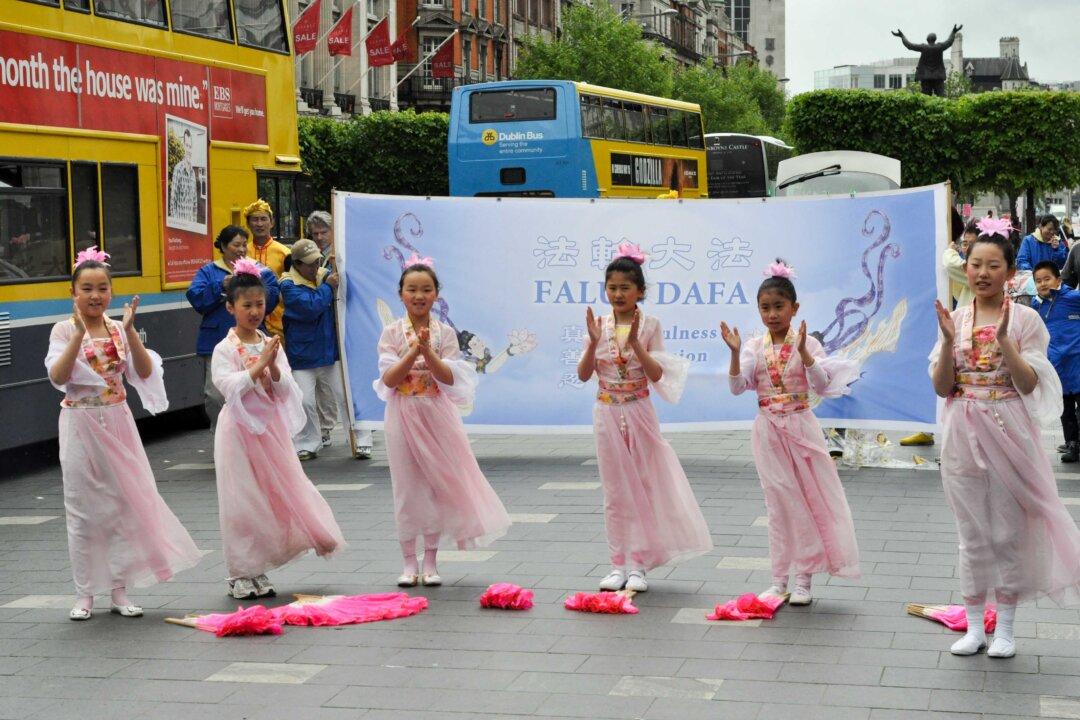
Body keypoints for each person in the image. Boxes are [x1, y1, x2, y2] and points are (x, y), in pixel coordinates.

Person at [930, 217, 1080, 658]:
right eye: (975, 264)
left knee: (1009, 531)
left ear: (1009, 272)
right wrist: (944, 344)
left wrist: (1005, 342)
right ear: (966, 268)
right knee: (971, 532)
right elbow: (942, 388)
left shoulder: (1027, 319)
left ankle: (1007, 628)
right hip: (962, 430)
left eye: (993, 265)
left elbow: (1031, 382)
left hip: (1010, 429)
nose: (982, 273)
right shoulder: (953, 319)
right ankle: (975, 625)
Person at [45, 247, 202, 621]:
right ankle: (85, 593)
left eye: (102, 288)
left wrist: (131, 333)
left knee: (123, 505)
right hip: (80, 424)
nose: (95, 295)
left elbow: (144, 372)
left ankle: (119, 589)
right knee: (82, 511)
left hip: (117, 421)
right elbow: (58, 377)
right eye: (86, 288)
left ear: (111, 292)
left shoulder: (118, 329)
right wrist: (77, 337)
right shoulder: (63, 329)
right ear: (73, 293)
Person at [722, 260, 861, 605]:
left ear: (794, 308)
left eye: (779, 307)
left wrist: (805, 356)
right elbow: (739, 387)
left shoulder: (808, 344)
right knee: (778, 504)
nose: (772, 314)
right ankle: (778, 579)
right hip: (768, 430)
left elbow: (822, 385)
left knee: (806, 501)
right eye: (765, 308)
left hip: (801, 425)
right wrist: (736, 354)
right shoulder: (755, 346)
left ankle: (804, 580)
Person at [576, 244, 712, 593]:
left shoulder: (649, 325)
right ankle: (616, 563)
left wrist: (637, 344)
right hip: (607, 410)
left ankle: (639, 564)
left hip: (639, 410)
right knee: (614, 490)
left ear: (640, 291)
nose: (617, 293)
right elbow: (582, 374)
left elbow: (656, 374)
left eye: (625, 287)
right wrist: (592, 344)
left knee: (642, 484)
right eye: (612, 287)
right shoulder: (599, 325)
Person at [212, 259, 345, 600]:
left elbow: (287, 389)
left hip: (269, 430)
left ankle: (261, 564)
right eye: (247, 305)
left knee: (271, 498)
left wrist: (271, 367)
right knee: (242, 501)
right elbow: (227, 387)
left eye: (259, 304)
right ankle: (240, 572)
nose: (254, 311)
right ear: (231, 308)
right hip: (238, 432)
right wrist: (258, 366)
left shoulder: (271, 343)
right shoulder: (224, 349)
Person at [375, 255, 511, 587]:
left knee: (436, 487)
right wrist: (412, 351)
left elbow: (449, 377)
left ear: (436, 294)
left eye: (426, 290)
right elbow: (390, 379)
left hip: (436, 413)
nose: (419, 296)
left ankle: (432, 561)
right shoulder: (391, 333)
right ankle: (409, 561)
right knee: (407, 488)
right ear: (401, 294)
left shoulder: (446, 333)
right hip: (403, 412)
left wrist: (428, 351)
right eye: (412, 290)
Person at [280, 239, 372, 460]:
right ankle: (308, 442)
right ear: (298, 263)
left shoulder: (325, 275)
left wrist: (336, 267)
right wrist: (328, 286)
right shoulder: (287, 284)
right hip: (303, 355)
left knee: (346, 396)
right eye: (310, 264)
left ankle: (361, 440)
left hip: (330, 352)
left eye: (318, 262)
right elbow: (309, 307)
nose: (315, 267)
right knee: (305, 401)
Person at [186, 226, 279, 429]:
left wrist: (251, 286)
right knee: (215, 394)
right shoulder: (209, 271)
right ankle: (223, 432)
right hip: (216, 340)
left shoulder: (259, 270)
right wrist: (220, 286)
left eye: (244, 244)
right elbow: (196, 297)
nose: (241, 249)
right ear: (223, 246)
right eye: (236, 244)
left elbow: (272, 295)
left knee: (254, 388)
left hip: (251, 340)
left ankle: (253, 430)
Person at [304, 210, 374, 455]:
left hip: (347, 321)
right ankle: (321, 431)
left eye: (325, 232)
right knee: (325, 388)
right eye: (316, 233)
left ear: (334, 232)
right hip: (323, 326)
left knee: (348, 386)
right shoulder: (309, 258)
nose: (321, 236)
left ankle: (360, 437)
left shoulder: (344, 253)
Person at [1031, 261, 1080, 462]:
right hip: (1057, 366)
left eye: (1047, 279)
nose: (1043, 284)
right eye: (1038, 281)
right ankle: (1072, 444)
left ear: (1058, 280)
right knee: (1065, 408)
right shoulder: (1036, 305)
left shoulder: (1074, 298)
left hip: (1077, 363)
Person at [243, 199, 291, 340]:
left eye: (263, 219)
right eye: (255, 220)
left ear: (272, 222)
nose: (259, 224)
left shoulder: (284, 252)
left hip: (279, 321)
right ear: (248, 224)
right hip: (249, 320)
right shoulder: (243, 252)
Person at [168, 129, 198, 224]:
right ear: (184, 146)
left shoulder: (193, 173)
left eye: (190, 146)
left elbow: (194, 204)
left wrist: (194, 224)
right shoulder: (178, 169)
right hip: (180, 227)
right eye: (187, 145)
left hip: (191, 228)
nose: (188, 149)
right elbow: (173, 201)